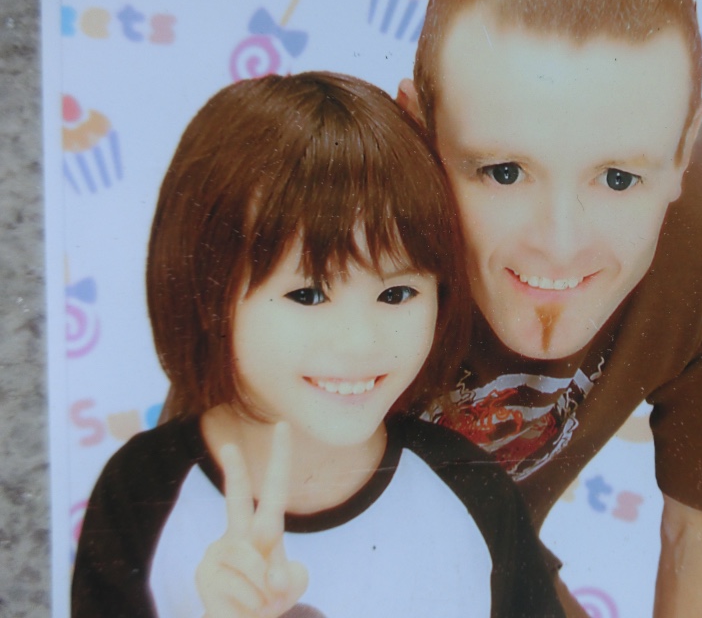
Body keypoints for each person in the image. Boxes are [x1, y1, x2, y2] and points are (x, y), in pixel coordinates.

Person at [398, 0, 702, 617]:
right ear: (416, 130)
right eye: (503, 172)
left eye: (619, 179)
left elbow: (700, 538)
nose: (559, 245)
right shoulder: (336, 214)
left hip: (486, 555)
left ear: (683, 150)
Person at [72, 72, 564, 618]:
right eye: (307, 294)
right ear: (207, 290)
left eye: (396, 293)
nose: (360, 340)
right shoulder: (143, 488)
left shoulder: (471, 489)